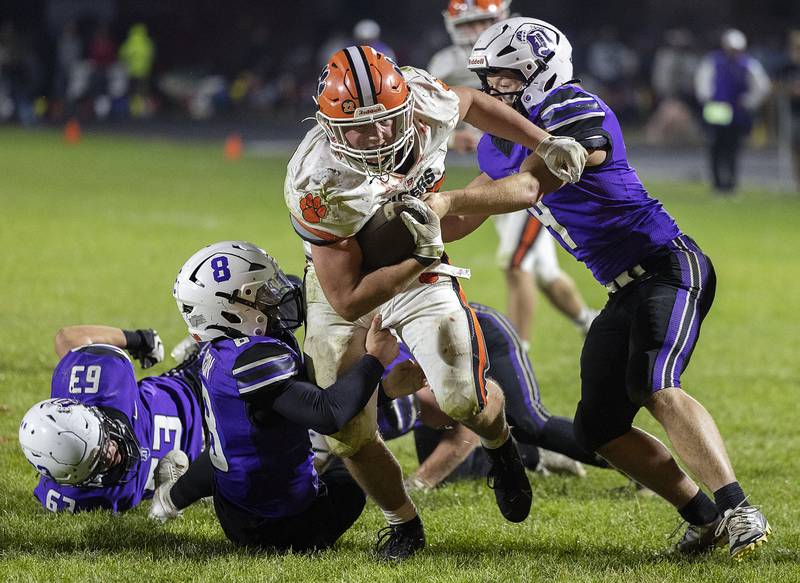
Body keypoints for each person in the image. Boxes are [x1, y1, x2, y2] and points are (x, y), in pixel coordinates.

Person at [425, 16, 770, 560]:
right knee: (598, 429)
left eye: (506, 78)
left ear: (542, 72)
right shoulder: (504, 139)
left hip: (667, 265)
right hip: (621, 287)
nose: (495, 90)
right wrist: (403, 223)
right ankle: (704, 520)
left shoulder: (574, 109)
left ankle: (737, 507)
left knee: (653, 381)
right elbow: (466, 218)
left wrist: (445, 201)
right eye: (489, 79)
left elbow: (529, 186)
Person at [284, 44, 587, 560]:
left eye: (386, 120)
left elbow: (469, 101)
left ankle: (501, 447)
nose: (377, 136)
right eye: (359, 128)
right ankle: (402, 523)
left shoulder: (424, 97)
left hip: (421, 262)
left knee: (461, 400)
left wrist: (542, 139)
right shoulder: (316, 181)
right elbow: (348, 297)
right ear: (329, 126)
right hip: (353, 280)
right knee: (347, 430)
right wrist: (421, 253)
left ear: (406, 103)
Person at [159, 241, 398, 553]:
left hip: (235, 505)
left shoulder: (222, 351)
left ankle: (167, 500)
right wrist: (375, 361)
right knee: (355, 469)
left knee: (239, 446)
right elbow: (327, 413)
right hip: (276, 527)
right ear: (231, 312)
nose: (278, 296)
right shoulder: (254, 361)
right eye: (262, 294)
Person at [429, 0, 598, 345]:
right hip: (497, 167)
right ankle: (589, 321)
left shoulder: (528, 45)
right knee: (545, 272)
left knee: (516, 262)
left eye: (483, 22)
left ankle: (517, 351)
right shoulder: (444, 64)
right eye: (466, 25)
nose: (474, 32)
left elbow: (538, 109)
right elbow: (435, 121)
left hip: (529, 168)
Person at [375, 302, 610, 490]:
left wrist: (419, 482)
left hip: (480, 332)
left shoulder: (395, 370)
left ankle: (634, 464)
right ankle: (530, 455)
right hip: (433, 352)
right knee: (446, 470)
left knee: (530, 422)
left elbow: (466, 417)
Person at [18, 325, 204, 514]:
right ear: (72, 480)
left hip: (195, 391)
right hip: (205, 461)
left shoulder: (102, 384)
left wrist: (138, 339)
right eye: (97, 464)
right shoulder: (73, 497)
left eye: (104, 439)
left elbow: (67, 338)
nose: (111, 454)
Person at [695, 29, 771, 194]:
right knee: (715, 146)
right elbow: (703, 83)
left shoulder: (748, 64)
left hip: (736, 111)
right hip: (717, 109)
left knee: (733, 147)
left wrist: (749, 101)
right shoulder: (713, 61)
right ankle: (717, 183)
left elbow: (762, 86)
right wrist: (707, 99)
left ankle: (731, 183)